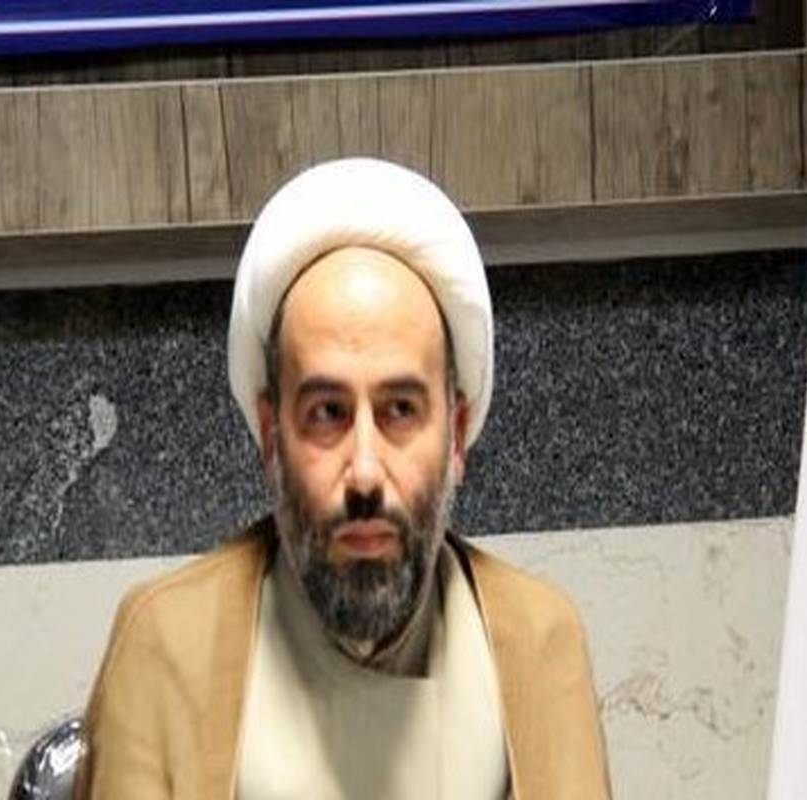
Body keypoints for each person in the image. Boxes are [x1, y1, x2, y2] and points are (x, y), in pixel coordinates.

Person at [75, 158, 609, 799]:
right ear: (272, 436)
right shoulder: (168, 646)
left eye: (400, 410)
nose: (364, 473)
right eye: (327, 413)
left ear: (456, 434)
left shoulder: (539, 641)